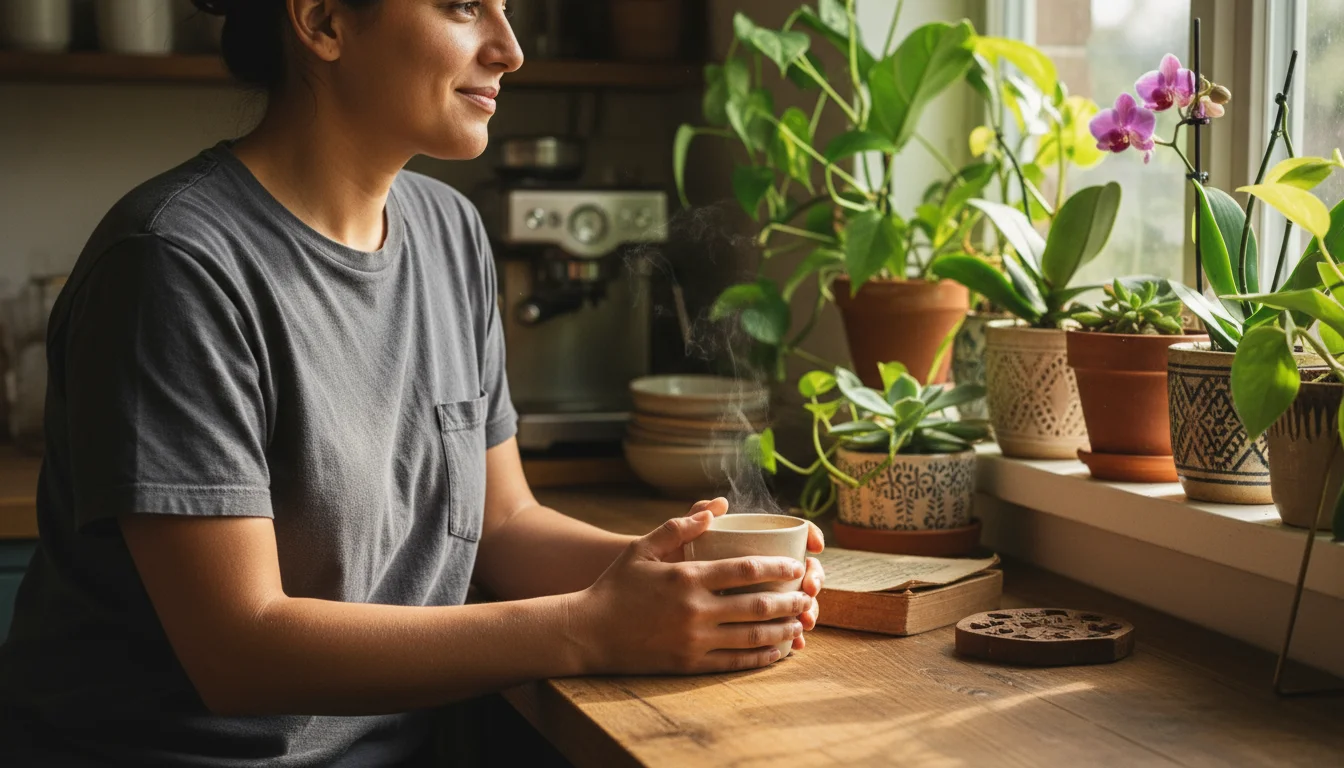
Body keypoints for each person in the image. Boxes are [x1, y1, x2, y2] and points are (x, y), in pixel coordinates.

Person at [0, 1, 825, 765]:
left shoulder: (449, 231)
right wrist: (587, 629)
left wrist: (701, 576)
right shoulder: (176, 263)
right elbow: (238, 651)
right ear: (322, 20)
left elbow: (504, 525)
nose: (510, 48)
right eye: (463, 6)